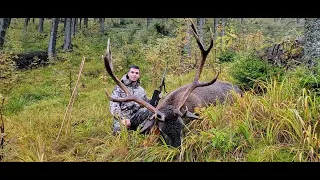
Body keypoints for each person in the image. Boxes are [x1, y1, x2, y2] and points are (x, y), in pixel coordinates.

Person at [109, 65, 152, 135]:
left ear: (139, 75)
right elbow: (114, 105)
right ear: (128, 73)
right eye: (132, 72)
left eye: (136, 73)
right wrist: (122, 119)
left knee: (150, 111)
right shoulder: (119, 88)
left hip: (136, 117)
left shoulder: (141, 90)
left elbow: (146, 103)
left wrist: (155, 99)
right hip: (123, 117)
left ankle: (141, 129)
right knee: (118, 133)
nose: (134, 75)